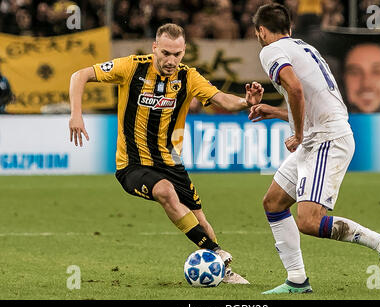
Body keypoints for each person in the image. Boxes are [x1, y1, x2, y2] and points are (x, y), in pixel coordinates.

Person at [69, 23, 264, 284]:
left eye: (177, 54)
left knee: (200, 220)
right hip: (132, 165)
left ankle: (223, 272)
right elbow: (79, 75)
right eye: (166, 53)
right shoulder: (132, 67)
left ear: (184, 52)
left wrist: (244, 102)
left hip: (171, 162)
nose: (171, 60)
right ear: (155, 48)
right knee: (165, 191)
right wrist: (76, 115)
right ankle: (215, 252)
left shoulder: (188, 77)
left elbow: (220, 99)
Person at [248, 3, 380, 294]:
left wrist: (297, 134)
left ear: (261, 31)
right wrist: (273, 111)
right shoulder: (303, 48)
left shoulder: (270, 51)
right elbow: (309, 101)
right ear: (290, 28)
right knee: (273, 202)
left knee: (309, 221)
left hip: (325, 140)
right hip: (320, 135)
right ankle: (297, 280)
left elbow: (295, 90)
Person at [344, 43, 380, 113]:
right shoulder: (326, 122)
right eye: (355, 72)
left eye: (377, 72)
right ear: (344, 79)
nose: (366, 83)